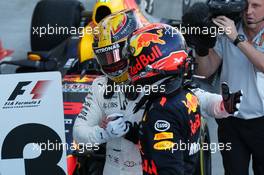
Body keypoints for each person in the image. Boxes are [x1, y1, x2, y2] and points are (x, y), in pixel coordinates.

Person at [73, 10, 242, 175]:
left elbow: (196, 98)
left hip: (150, 167)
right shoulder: (100, 86)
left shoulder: (156, 75)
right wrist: (104, 133)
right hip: (114, 168)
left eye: (117, 55)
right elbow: (79, 133)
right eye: (107, 57)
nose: (113, 63)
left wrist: (222, 104)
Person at [193, 0, 264, 174]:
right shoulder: (228, 31)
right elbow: (205, 72)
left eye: (256, 6)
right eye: (245, 6)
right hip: (231, 122)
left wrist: (236, 38)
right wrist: (202, 47)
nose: (248, 12)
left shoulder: (232, 33)